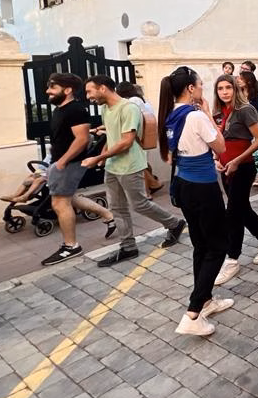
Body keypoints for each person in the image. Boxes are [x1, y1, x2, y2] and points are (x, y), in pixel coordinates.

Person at [158, 66, 231, 337]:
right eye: (199, 85)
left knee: (201, 245)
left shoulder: (171, 115)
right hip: (203, 188)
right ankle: (192, 312)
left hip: (185, 185)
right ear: (190, 88)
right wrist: (208, 116)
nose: (202, 88)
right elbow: (221, 147)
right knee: (217, 247)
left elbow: (172, 156)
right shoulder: (195, 116)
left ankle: (206, 299)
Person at [83, 76, 186, 267]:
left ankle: (174, 223)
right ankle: (128, 247)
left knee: (139, 204)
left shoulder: (129, 108)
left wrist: (98, 158)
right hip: (112, 166)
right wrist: (104, 154)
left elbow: (126, 141)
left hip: (130, 165)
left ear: (103, 88)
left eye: (90, 91)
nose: (88, 96)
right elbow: (113, 136)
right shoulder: (105, 108)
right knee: (117, 208)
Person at [39, 73, 116, 267]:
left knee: (59, 203)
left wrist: (62, 161)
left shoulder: (75, 110)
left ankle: (71, 246)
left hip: (68, 164)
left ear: (67, 90)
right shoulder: (61, 110)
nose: (48, 91)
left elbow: (82, 139)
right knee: (66, 198)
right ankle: (107, 215)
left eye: (53, 87)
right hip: (59, 162)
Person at [212, 75, 258, 285]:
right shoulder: (220, 112)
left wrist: (237, 160)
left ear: (235, 89)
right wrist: (216, 159)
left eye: (228, 87)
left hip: (243, 167)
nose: (224, 91)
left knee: (233, 213)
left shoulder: (245, 109)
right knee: (242, 209)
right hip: (226, 168)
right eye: (220, 88)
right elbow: (219, 142)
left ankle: (232, 259)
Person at [116, 82, 164, 194]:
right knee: (142, 164)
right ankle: (151, 186)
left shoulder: (133, 101)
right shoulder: (140, 100)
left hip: (137, 136)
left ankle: (148, 189)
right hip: (140, 136)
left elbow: (134, 120)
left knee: (140, 166)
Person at [236, 70, 258, 180]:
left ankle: (257, 177)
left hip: (257, 127)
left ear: (248, 81)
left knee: (257, 152)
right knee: (250, 152)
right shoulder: (237, 95)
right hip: (243, 129)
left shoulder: (257, 94)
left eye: (241, 79)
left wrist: (250, 114)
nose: (238, 81)